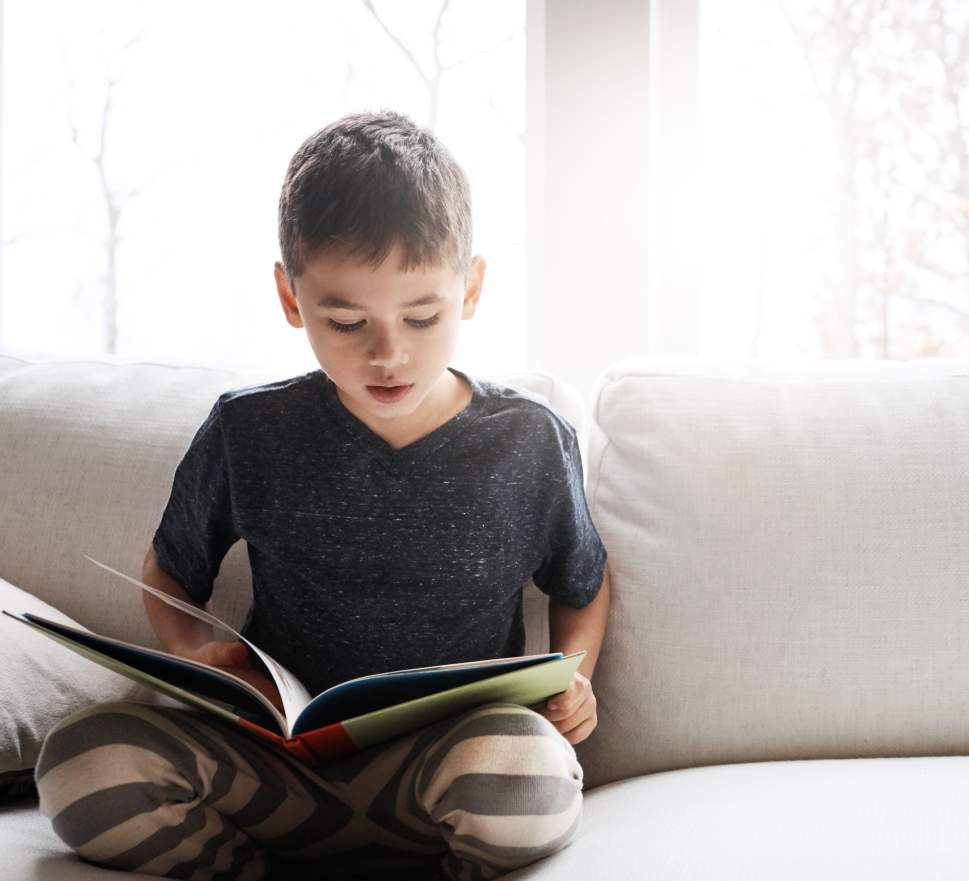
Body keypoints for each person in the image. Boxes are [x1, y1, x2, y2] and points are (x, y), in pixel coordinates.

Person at [33, 109, 612, 881]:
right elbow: (169, 570)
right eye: (345, 321)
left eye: (422, 315)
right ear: (290, 297)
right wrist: (196, 652)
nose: (388, 352)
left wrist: (576, 676)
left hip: (443, 773)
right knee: (82, 759)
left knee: (524, 771)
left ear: (470, 287)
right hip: (276, 766)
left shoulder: (529, 440)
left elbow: (585, 580)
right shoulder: (249, 429)